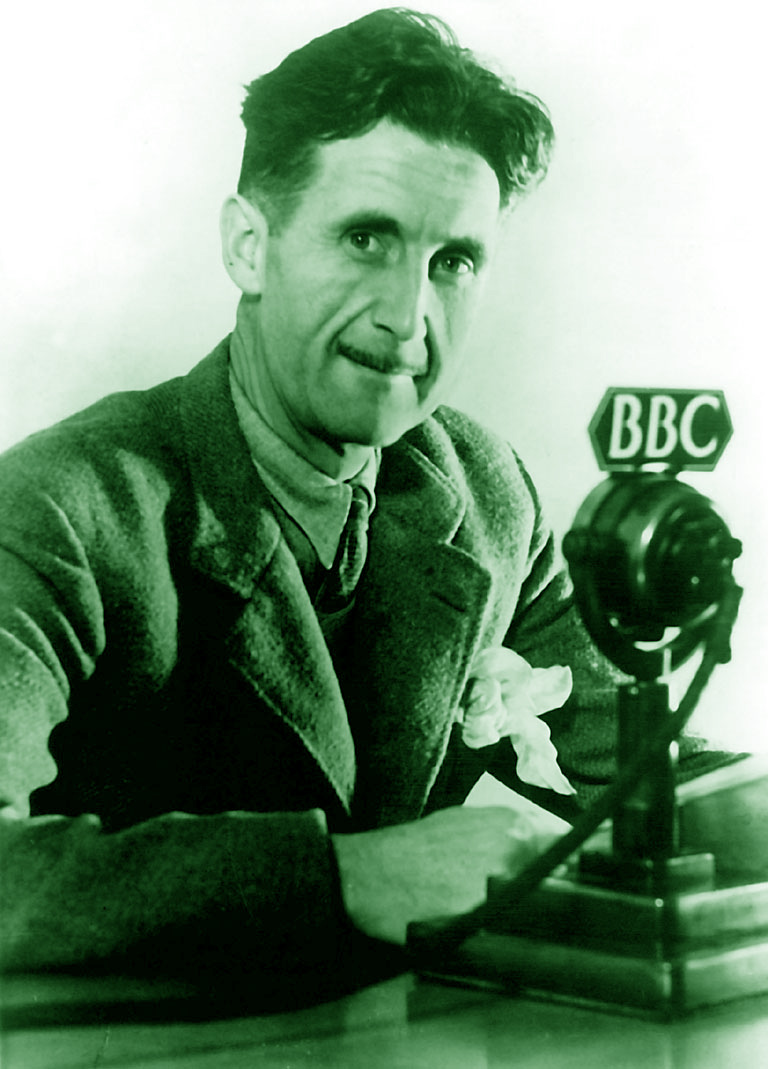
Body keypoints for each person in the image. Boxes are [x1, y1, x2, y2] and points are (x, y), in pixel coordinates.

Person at [0, 8, 741, 995]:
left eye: (453, 262)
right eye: (365, 239)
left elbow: (641, 773)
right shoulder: (59, 505)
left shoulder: (485, 489)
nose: (408, 315)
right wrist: (354, 874)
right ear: (248, 246)